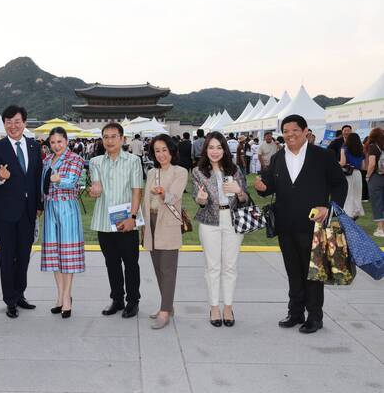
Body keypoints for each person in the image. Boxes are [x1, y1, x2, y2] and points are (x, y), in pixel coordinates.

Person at [255, 114, 347, 334]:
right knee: (293, 271)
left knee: (313, 272)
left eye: (294, 130)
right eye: (286, 131)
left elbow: (340, 184)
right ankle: (295, 312)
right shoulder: (278, 158)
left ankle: (315, 316)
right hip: (285, 225)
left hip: (313, 226)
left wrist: (329, 207)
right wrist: (262, 187)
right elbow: (270, 185)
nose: (290, 135)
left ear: (306, 131)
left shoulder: (322, 156)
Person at [0, 105, 43, 319]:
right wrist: (0, 177)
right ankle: (9, 300)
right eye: (8, 122)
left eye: (17, 121)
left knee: (23, 257)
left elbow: (37, 177)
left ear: (24, 123)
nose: (13, 125)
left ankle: (20, 294)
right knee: (7, 258)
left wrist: (39, 205)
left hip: (28, 213)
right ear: (4, 124)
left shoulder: (33, 146)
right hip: (5, 215)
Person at [192, 131, 247, 328]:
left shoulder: (235, 170)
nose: (215, 151)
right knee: (212, 266)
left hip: (232, 221)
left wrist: (239, 191)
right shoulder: (198, 172)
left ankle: (228, 307)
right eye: (211, 147)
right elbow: (196, 199)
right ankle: (214, 306)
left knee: (230, 266)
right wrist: (201, 199)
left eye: (219, 147)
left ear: (224, 149)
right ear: (205, 150)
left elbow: (245, 199)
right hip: (209, 222)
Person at [89, 122, 143, 318]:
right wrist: (94, 192)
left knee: (130, 263)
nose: (109, 140)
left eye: (113, 136)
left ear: (122, 139)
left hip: (126, 220)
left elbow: (137, 191)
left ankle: (133, 301)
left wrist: (133, 217)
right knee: (111, 263)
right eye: (106, 137)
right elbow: (95, 188)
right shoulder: (95, 162)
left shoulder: (133, 161)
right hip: (104, 221)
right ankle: (117, 300)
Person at [142, 134, 188, 329]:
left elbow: (174, 197)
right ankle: (167, 305)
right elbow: (145, 198)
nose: (161, 154)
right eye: (157, 151)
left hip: (167, 222)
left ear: (172, 151)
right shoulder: (152, 172)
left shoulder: (180, 171)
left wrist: (162, 193)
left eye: (164, 150)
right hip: (151, 223)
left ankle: (164, 310)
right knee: (158, 268)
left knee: (168, 270)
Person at [41, 127, 85, 318]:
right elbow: (42, 185)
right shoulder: (46, 161)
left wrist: (58, 181)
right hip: (50, 209)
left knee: (67, 254)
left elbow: (72, 181)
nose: (56, 145)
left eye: (59, 141)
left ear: (66, 141)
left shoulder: (75, 159)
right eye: (52, 142)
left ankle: (67, 297)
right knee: (55, 254)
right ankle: (59, 296)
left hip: (67, 209)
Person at [340, 132, 365, 220]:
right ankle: (355, 213)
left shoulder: (344, 148)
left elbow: (342, 163)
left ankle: (348, 215)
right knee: (357, 195)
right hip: (358, 174)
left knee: (348, 195)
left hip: (348, 174)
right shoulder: (361, 149)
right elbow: (363, 166)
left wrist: (335, 163)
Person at [365, 127, 384, 237]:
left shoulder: (373, 146)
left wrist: (367, 176)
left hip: (376, 177)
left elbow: (372, 164)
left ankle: (380, 229)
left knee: (377, 202)